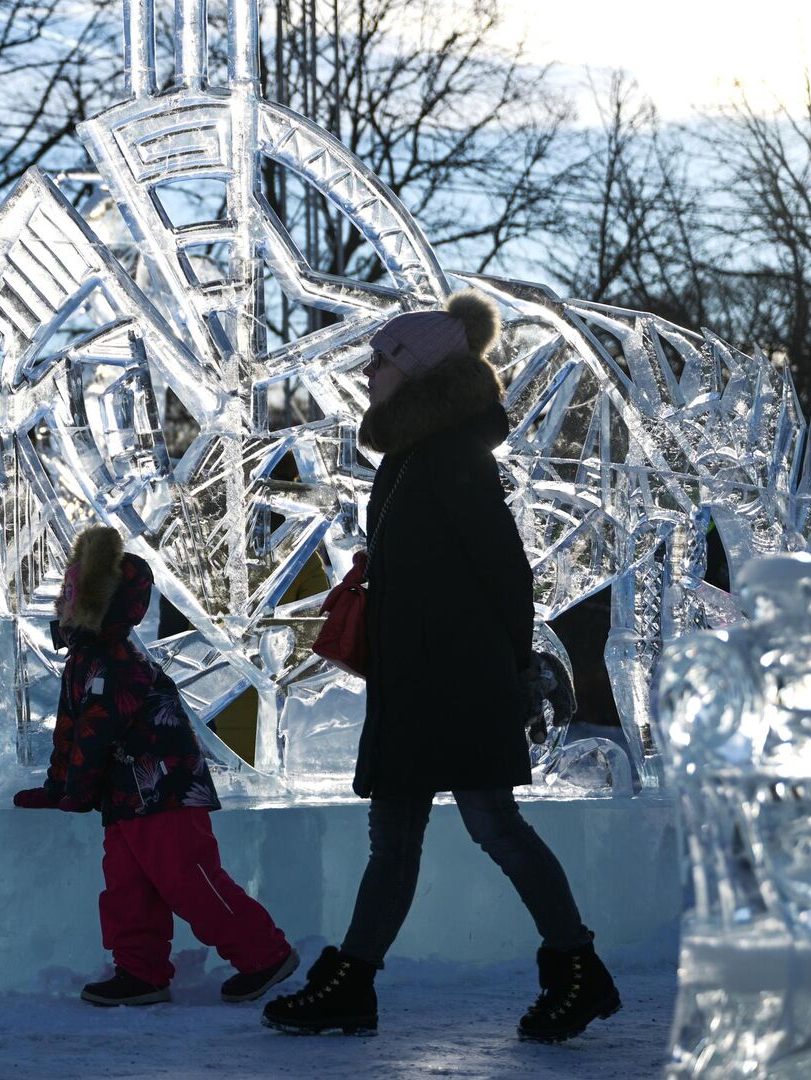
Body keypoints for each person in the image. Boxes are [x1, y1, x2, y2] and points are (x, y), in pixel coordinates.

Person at [262, 291, 620, 1042]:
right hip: (420, 683)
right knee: (399, 840)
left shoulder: (450, 455)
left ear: (417, 372)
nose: (367, 374)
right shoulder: (416, 456)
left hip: (457, 685)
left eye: (380, 361)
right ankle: (353, 983)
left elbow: (507, 573)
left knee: (494, 826)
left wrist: (508, 671)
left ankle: (577, 968)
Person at [13, 526, 298, 1007]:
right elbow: (72, 730)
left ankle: (265, 953)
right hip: (126, 798)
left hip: (165, 794)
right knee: (128, 887)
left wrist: (73, 792)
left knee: (191, 882)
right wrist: (58, 785)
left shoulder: (116, 660)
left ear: (96, 603)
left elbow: (95, 733)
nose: (61, 598)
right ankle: (140, 971)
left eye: (71, 591)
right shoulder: (87, 657)